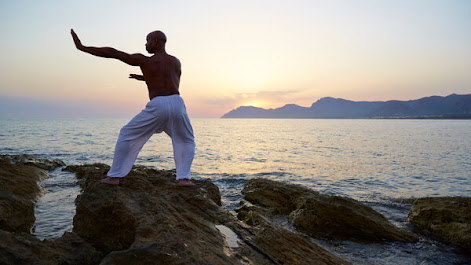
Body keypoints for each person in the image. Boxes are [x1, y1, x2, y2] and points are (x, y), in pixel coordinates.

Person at [71, 29, 196, 186]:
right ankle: (184, 179)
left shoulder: (146, 61)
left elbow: (114, 53)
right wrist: (146, 78)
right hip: (177, 103)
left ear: (156, 42)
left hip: (158, 105)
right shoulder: (176, 61)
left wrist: (83, 47)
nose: (146, 44)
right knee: (185, 140)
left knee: (127, 134)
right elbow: (169, 79)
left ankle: (114, 176)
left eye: (147, 40)